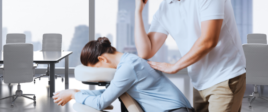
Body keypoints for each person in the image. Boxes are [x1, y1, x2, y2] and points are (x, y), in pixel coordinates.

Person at [133, 0, 246, 112]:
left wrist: (175, 66)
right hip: (199, 83)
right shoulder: (164, 10)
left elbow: (209, 40)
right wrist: (138, 11)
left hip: (225, 76)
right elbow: (145, 51)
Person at [53, 37, 194, 112]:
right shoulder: (128, 61)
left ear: (102, 59)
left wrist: (73, 95)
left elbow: (101, 103)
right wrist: (78, 92)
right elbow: (112, 91)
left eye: (96, 69)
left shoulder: (128, 68)